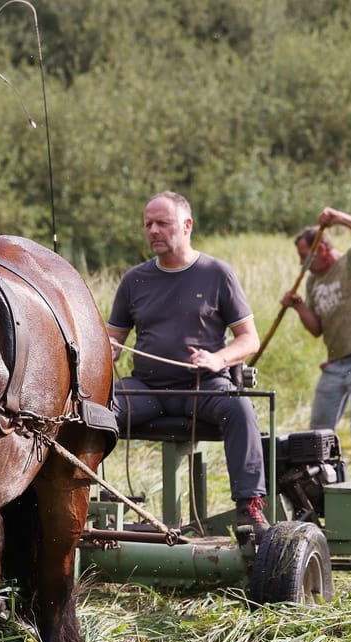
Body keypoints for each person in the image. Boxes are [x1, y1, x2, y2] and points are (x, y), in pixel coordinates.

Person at [106, 191, 269, 538]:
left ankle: (249, 508)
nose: (153, 230)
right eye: (148, 224)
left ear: (187, 225)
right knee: (94, 411)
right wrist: (102, 349)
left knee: (240, 410)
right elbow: (113, 341)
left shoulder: (217, 273)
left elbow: (249, 339)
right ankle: (94, 500)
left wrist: (217, 359)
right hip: (147, 389)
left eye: (162, 223)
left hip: (203, 388)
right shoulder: (134, 280)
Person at [281, 207, 351, 474]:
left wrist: (339, 218)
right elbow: (317, 329)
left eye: (305, 257)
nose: (301, 264)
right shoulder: (313, 281)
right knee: (318, 429)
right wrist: (299, 307)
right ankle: (321, 481)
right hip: (335, 363)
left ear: (323, 250)